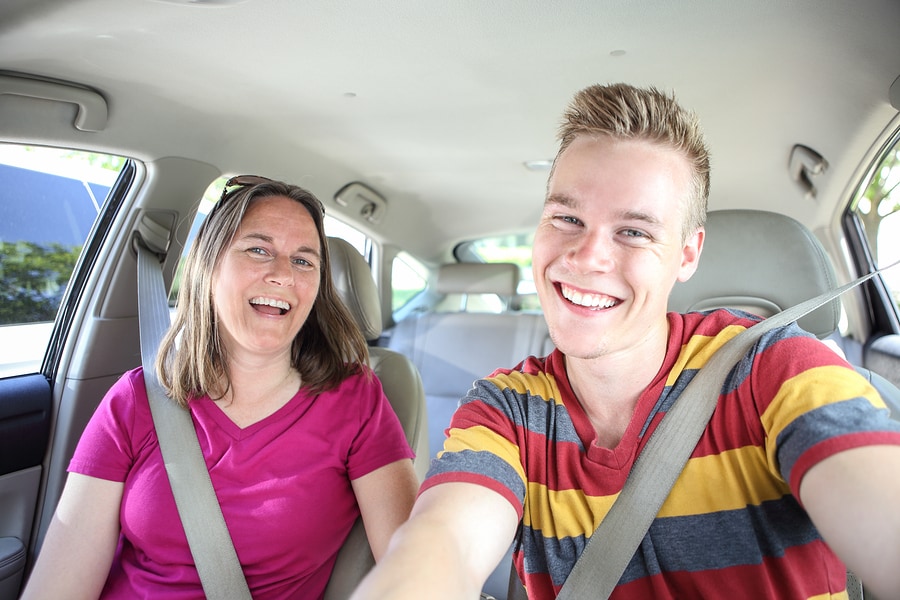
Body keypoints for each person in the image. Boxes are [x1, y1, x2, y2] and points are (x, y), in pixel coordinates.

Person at [350, 83, 900, 600]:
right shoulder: (505, 410)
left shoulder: (775, 369)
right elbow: (442, 542)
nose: (587, 257)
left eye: (634, 231)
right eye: (567, 217)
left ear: (687, 254)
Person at [21, 176, 419, 599]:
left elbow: (414, 569)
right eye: (258, 250)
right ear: (209, 267)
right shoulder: (136, 398)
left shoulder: (354, 398)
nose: (283, 274)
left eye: (304, 261)